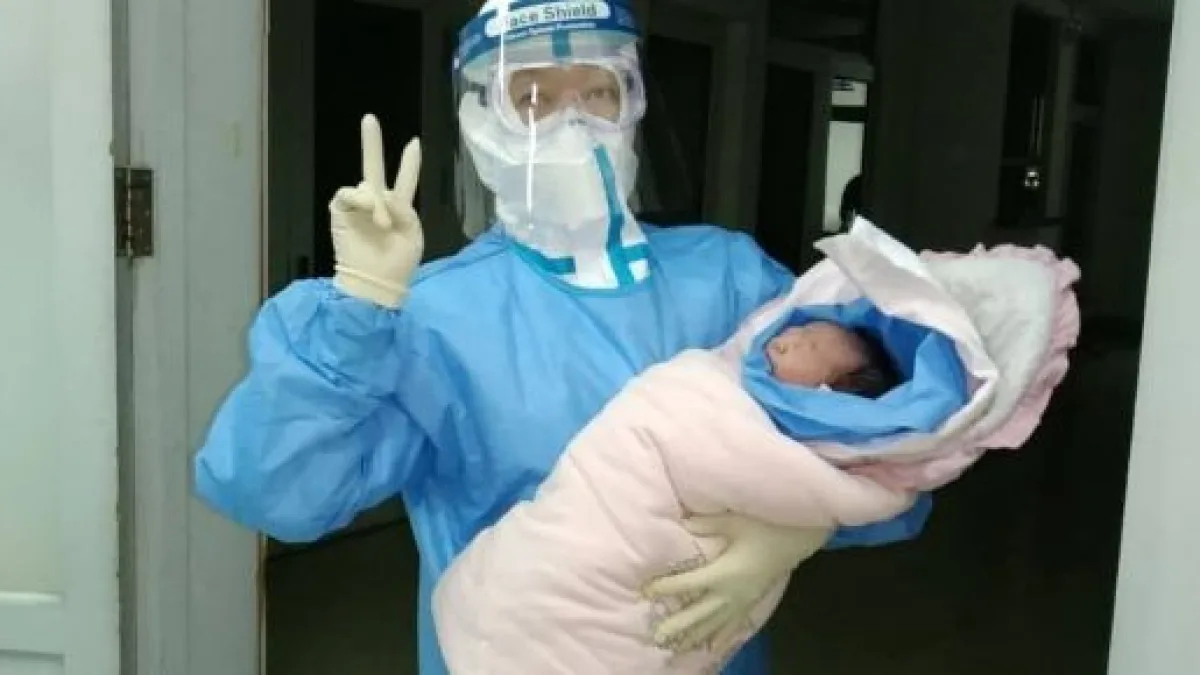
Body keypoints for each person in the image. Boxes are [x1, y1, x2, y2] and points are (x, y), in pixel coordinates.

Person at [192, 2, 929, 673]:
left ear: (632, 103)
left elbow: (899, 430)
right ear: (482, 119)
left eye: (599, 92)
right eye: (534, 98)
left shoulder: (729, 278)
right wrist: (356, 310)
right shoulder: (434, 317)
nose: (576, 124)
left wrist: (805, 523)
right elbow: (274, 492)